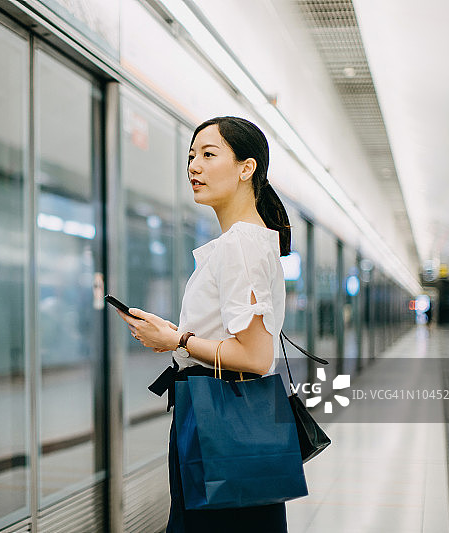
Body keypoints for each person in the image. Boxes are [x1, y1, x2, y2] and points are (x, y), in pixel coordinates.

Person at [117, 117, 291, 532]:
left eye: (209, 155)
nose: (194, 166)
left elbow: (254, 355)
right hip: (224, 410)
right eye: (191, 156)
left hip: (219, 415)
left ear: (246, 168)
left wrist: (177, 338)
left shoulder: (242, 244)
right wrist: (175, 339)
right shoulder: (247, 241)